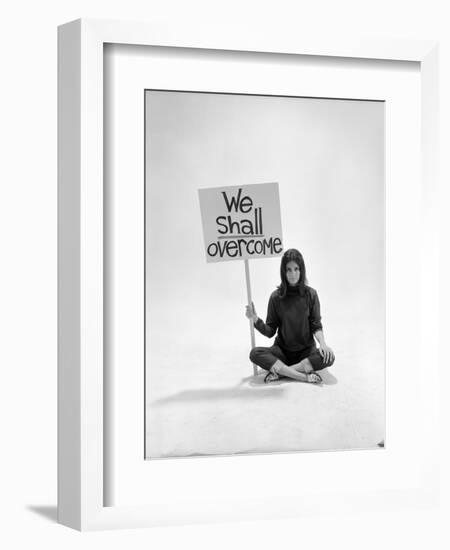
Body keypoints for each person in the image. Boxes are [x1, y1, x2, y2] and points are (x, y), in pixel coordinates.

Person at [246, 248, 335, 383]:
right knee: (255, 354)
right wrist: (255, 320)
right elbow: (270, 331)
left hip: (306, 352)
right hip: (282, 353)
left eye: (296, 269)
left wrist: (322, 344)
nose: (293, 274)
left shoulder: (311, 295)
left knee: (329, 356)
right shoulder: (276, 297)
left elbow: (316, 325)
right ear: (284, 271)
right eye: (289, 270)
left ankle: (282, 373)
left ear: (301, 270)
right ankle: (304, 376)